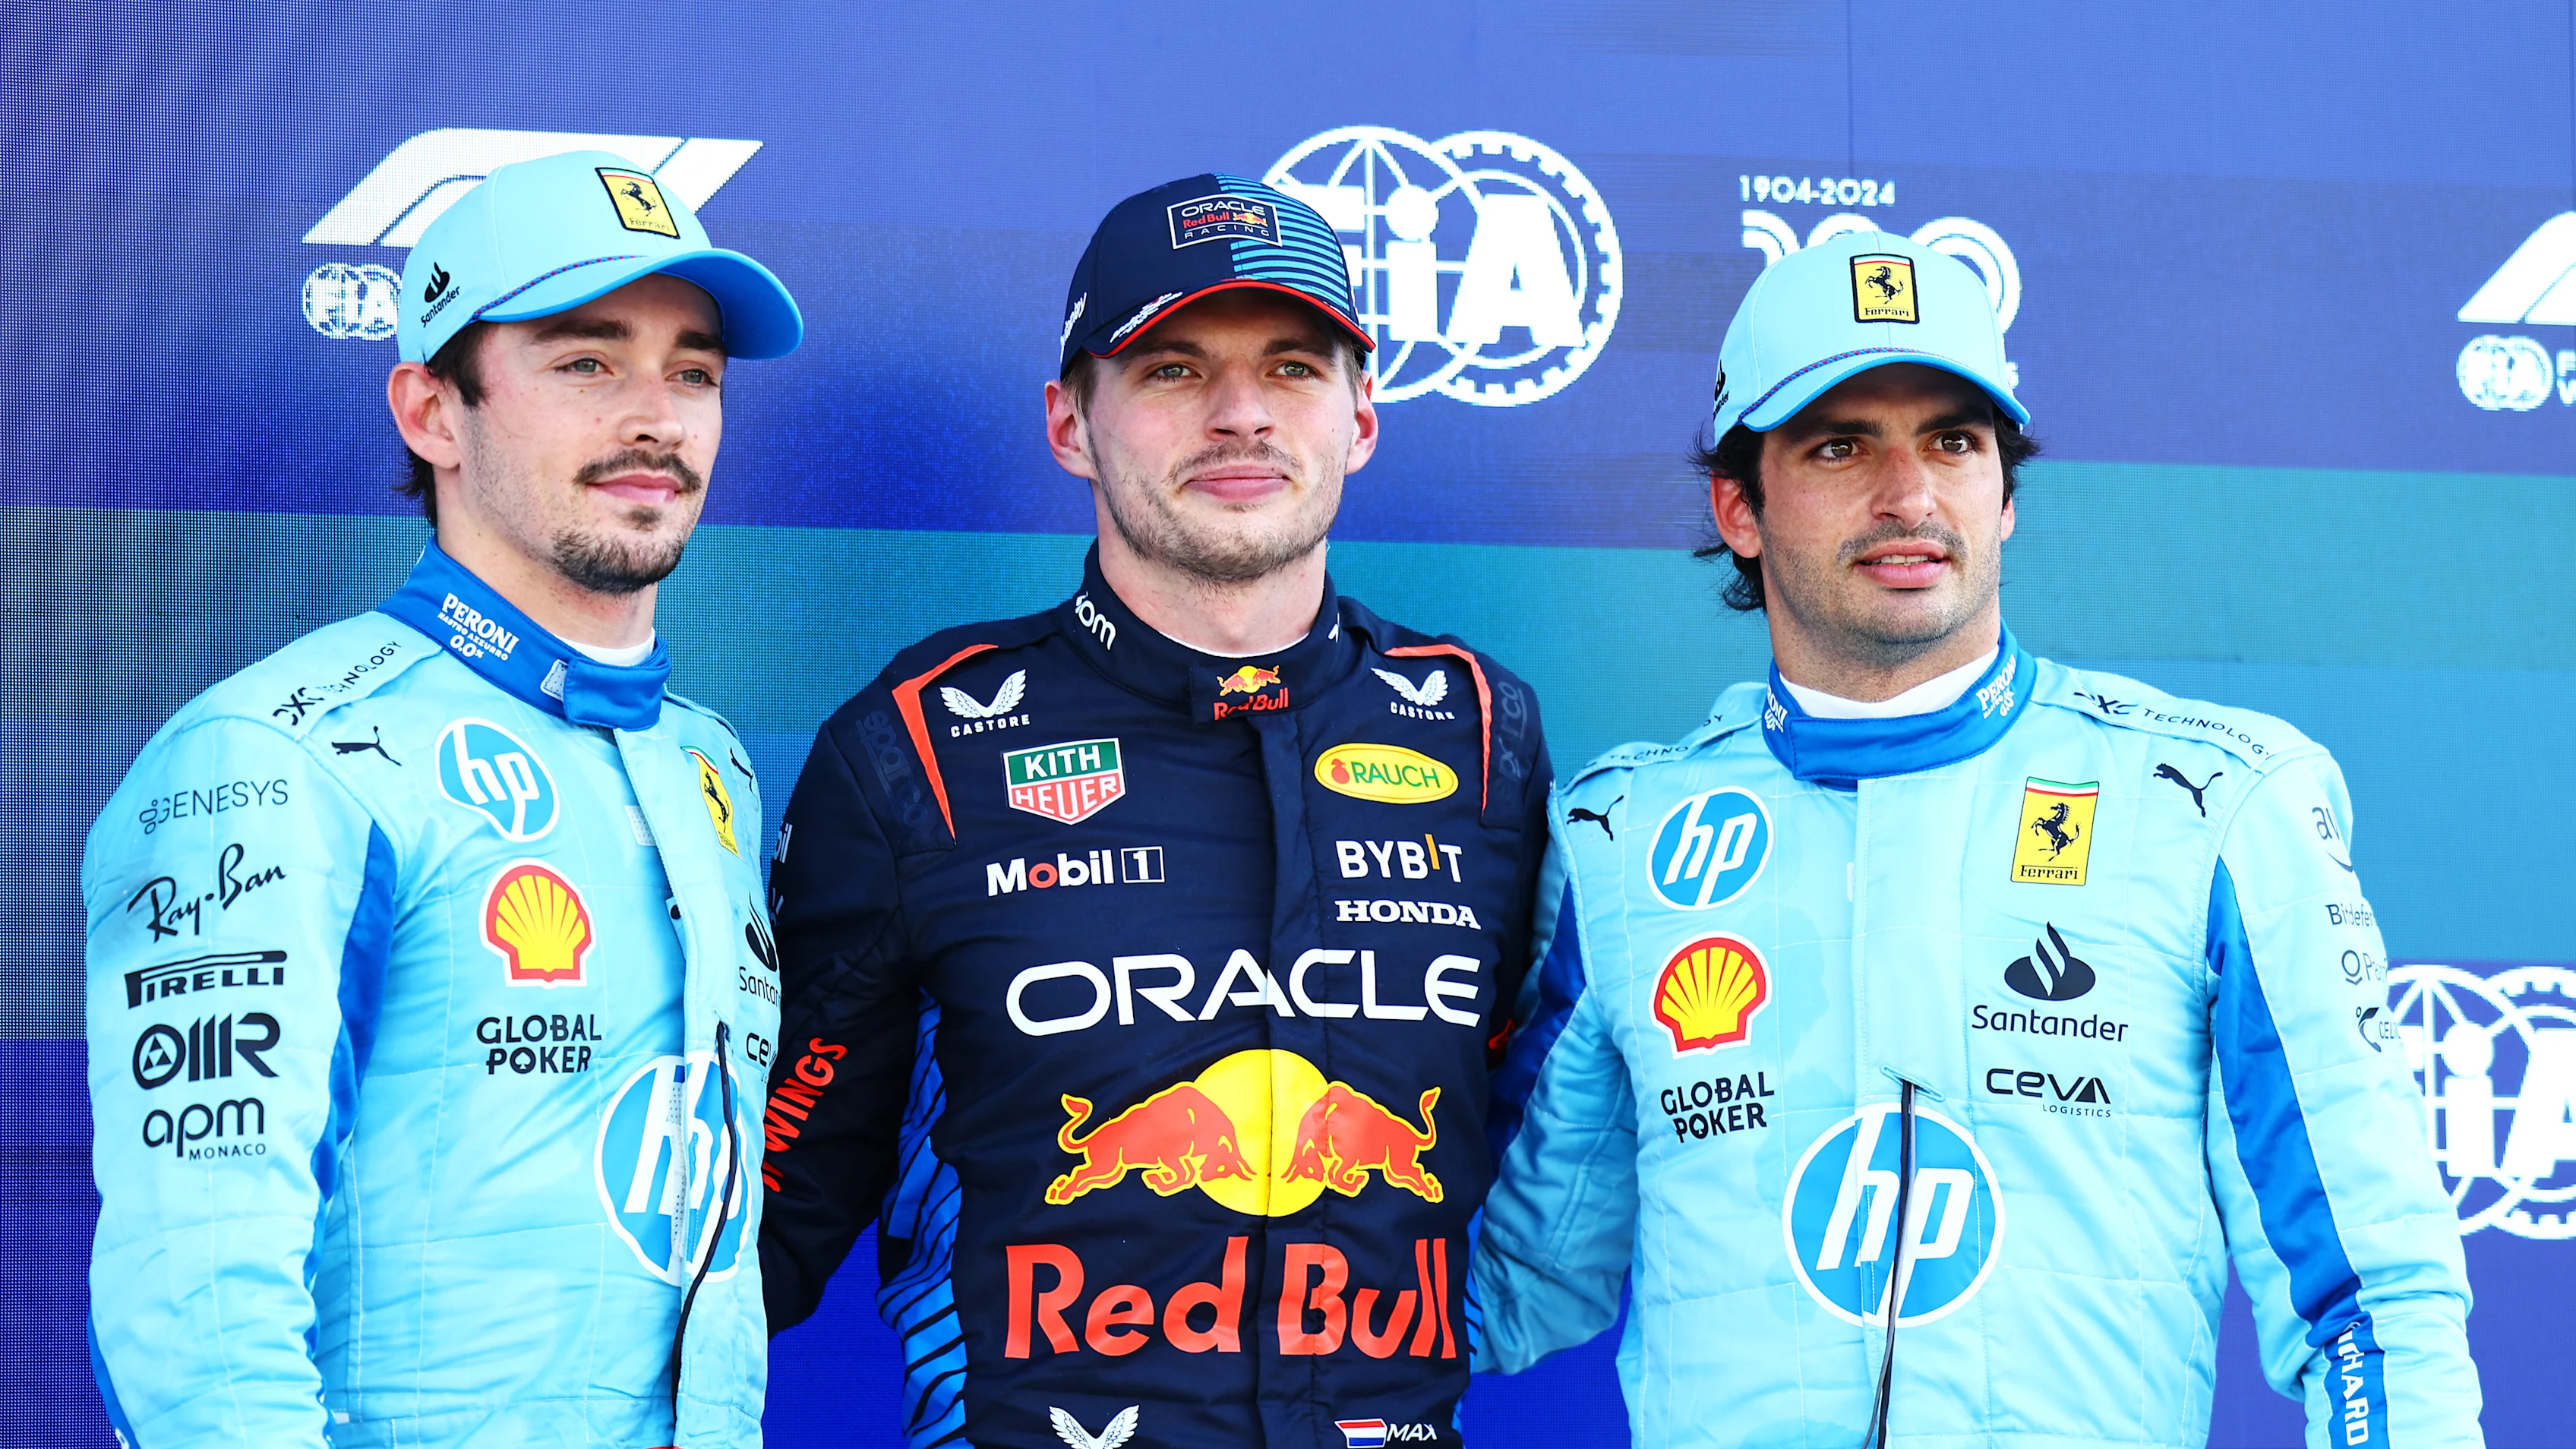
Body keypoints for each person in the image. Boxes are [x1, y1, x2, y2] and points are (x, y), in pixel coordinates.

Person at [1472, 232, 2481, 1447]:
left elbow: (2367, 1301)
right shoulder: (1623, 842)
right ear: (1738, 507)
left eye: (1953, 441)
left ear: (2004, 494)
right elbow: (1504, 1281)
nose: (1911, 497)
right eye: (1841, 445)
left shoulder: (2215, 801)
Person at [758, 174, 1552, 1448]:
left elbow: (1560, 1156)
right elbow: (769, 1206)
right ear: (1071, 421)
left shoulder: (1482, 732)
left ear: (1362, 419)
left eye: (1293, 367)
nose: (1241, 415)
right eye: (1174, 370)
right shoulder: (916, 744)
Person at [84, 150, 801, 1448]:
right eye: (587, 362)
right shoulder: (274, 754)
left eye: (692, 371)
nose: (657, 415)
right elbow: (194, 1293)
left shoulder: (713, 766)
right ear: (433, 412)